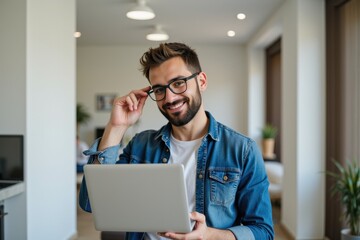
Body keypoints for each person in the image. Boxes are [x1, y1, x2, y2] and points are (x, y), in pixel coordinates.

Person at [79, 42, 274, 240]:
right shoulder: (141, 145)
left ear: (202, 81)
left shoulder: (242, 150)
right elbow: (91, 203)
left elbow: (263, 232)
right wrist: (116, 127)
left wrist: (209, 236)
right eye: (159, 90)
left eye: (179, 83)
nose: (169, 98)